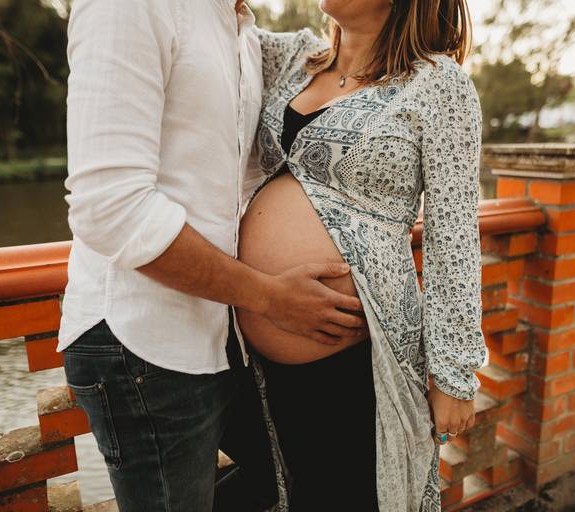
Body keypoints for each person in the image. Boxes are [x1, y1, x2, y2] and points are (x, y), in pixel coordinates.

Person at [58, 1, 367, 511]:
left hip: (222, 336)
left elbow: (231, 183)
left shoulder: (239, 30)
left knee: (294, 478)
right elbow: (110, 207)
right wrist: (268, 296)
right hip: (143, 343)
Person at [236, 0, 488, 510]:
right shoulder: (292, 58)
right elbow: (223, 25)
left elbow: (454, 235)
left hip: (361, 355)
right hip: (251, 352)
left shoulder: (438, 84)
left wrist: (455, 374)